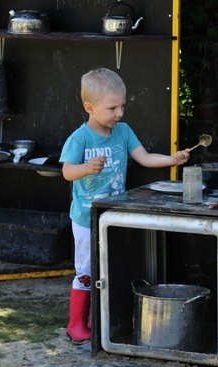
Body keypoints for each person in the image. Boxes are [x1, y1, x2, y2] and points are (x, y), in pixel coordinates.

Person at [60, 68, 191, 343]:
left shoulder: (123, 131)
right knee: (86, 270)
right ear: (90, 107)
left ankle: (102, 319)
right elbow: (67, 172)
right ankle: (76, 324)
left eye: (122, 106)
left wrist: (172, 160)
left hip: (114, 215)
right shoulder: (80, 138)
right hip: (86, 218)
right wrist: (86, 168)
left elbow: (144, 157)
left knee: (110, 267)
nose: (119, 113)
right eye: (112, 108)